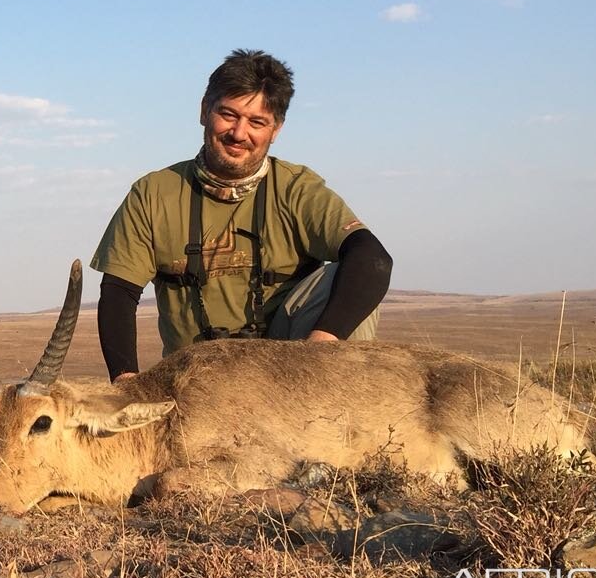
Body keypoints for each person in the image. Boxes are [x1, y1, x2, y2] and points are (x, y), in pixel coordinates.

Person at [91, 49, 392, 380]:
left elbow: (373, 260)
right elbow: (119, 292)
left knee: (345, 275)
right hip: (194, 382)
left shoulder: (297, 189)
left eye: (257, 122)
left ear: (275, 129)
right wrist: (125, 382)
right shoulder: (151, 194)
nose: (239, 133)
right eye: (229, 115)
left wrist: (319, 351)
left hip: (291, 375)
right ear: (205, 110)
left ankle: (330, 417)